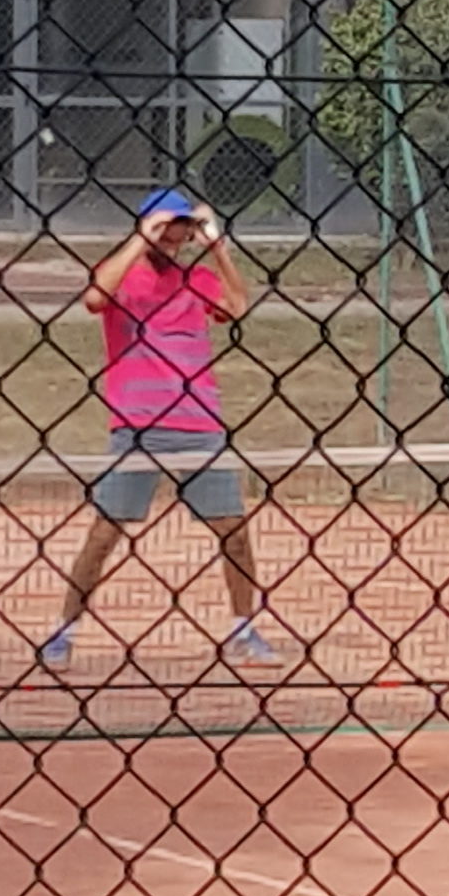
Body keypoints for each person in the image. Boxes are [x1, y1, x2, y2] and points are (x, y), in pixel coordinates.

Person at [40, 190, 275, 667]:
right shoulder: (123, 274)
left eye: (183, 227)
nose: (176, 235)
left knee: (233, 530)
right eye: (168, 226)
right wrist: (140, 239)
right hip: (138, 424)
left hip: (199, 422)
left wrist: (218, 248)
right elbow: (94, 298)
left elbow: (236, 306)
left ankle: (244, 630)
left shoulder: (198, 278)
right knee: (104, 533)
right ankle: (64, 633)